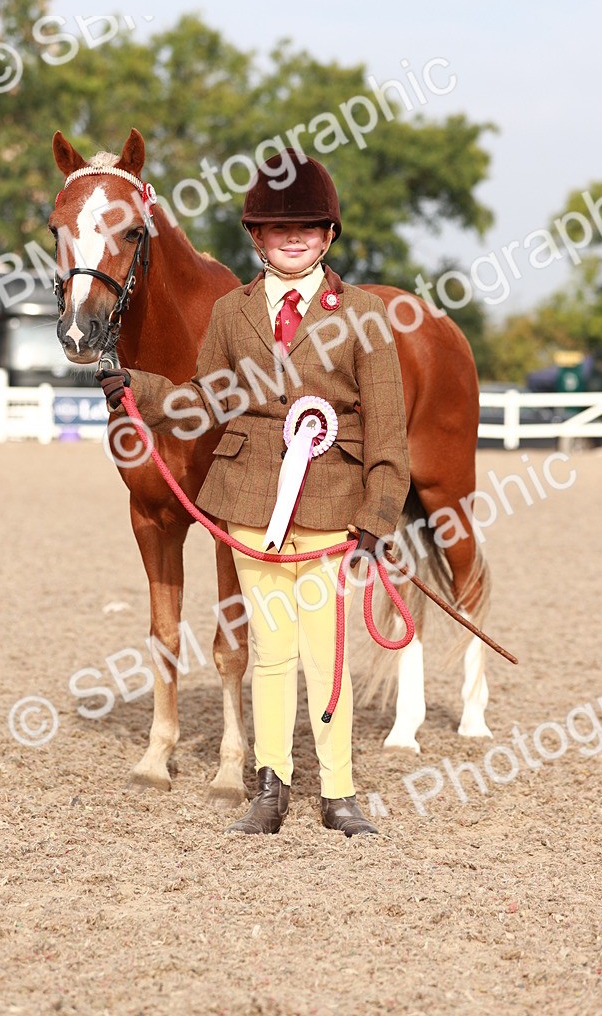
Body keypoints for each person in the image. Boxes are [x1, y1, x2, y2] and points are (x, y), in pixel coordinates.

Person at [97, 151, 409, 837]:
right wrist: (139, 389)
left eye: (306, 226)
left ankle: (338, 791)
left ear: (328, 235)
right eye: (275, 228)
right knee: (268, 651)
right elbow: (205, 401)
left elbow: (388, 434)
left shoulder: (362, 315)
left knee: (324, 653)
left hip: (330, 502)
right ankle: (270, 785)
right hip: (249, 502)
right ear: (256, 238)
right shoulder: (232, 314)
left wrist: (378, 517)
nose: (291, 237)